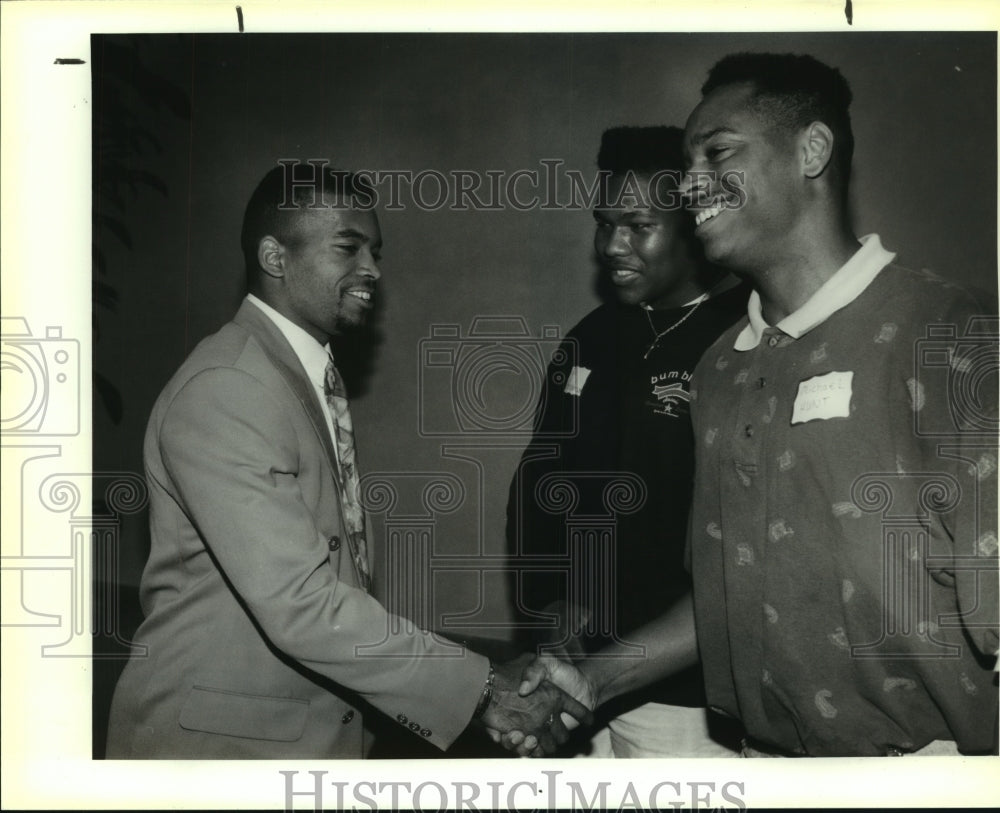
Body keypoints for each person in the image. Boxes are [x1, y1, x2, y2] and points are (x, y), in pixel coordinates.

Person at [516, 52, 998, 758]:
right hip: (759, 762)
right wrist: (593, 678)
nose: (690, 183)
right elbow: (725, 598)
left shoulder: (952, 334)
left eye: (718, 153)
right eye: (687, 163)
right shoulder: (722, 370)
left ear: (812, 150)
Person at [105, 162, 590, 759]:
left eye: (376, 250)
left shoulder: (297, 377)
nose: (373, 270)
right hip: (219, 753)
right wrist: (485, 688)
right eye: (349, 248)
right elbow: (302, 603)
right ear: (275, 257)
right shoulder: (227, 389)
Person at [506, 126, 749, 757]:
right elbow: (539, 484)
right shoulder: (589, 337)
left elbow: (734, 540)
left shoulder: (742, 340)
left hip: (682, 700)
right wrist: (549, 604)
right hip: (571, 679)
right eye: (604, 222)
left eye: (638, 224)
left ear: (692, 222)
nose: (613, 244)